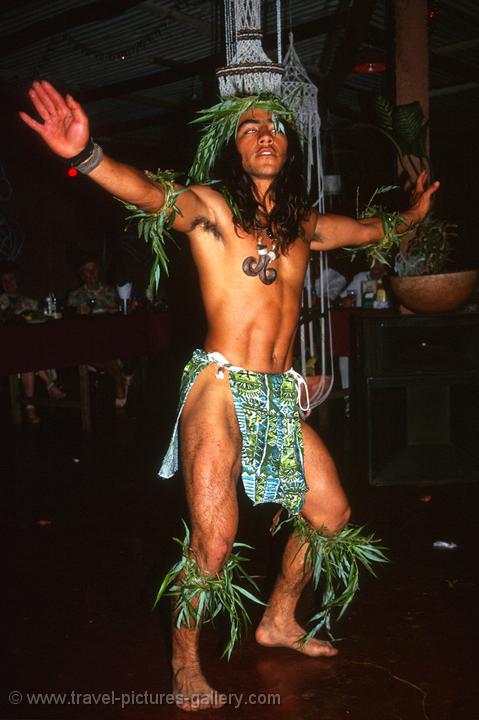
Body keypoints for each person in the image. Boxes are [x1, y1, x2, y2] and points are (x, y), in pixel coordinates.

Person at [20, 81, 439, 711]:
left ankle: (278, 619)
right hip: (218, 386)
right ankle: (184, 663)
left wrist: (408, 218)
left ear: (290, 145)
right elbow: (148, 192)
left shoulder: (301, 224)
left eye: (275, 125)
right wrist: (87, 156)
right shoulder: (210, 208)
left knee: (330, 513)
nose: (265, 133)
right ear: (233, 148)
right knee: (214, 541)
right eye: (248, 127)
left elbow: (361, 231)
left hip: (274, 393)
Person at [0, 261, 66, 423]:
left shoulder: (31, 303)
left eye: (12, 279)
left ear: (18, 280)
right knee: (27, 353)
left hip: (28, 351)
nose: (9, 284)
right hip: (6, 350)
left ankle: (30, 408)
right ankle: (49, 384)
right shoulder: (1, 303)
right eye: (5, 281)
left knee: (28, 356)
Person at [67, 255, 129, 408]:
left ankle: (118, 379)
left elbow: (118, 311)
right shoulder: (75, 295)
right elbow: (69, 321)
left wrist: (112, 309)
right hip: (85, 340)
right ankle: (119, 380)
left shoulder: (109, 291)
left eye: (94, 270)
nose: (92, 274)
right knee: (97, 351)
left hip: (108, 337)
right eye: (87, 271)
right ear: (82, 274)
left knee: (108, 347)